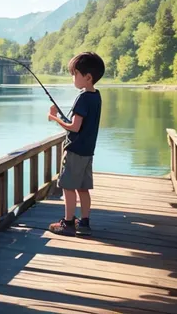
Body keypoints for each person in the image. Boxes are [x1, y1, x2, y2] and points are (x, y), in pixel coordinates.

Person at [47, 52, 104, 236]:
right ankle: (84, 222)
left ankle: (68, 223)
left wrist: (55, 118)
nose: (72, 77)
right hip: (88, 151)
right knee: (83, 188)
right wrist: (65, 119)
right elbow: (81, 123)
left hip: (75, 150)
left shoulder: (82, 97)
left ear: (87, 77)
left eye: (74, 74)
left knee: (68, 187)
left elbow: (75, 127)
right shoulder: (96, 96)